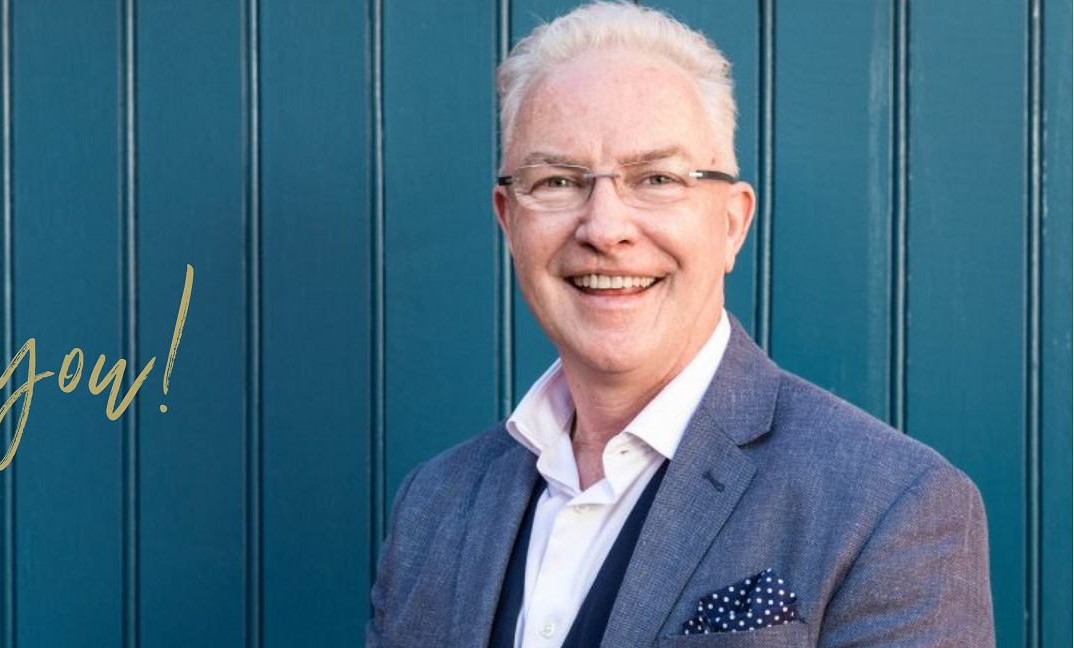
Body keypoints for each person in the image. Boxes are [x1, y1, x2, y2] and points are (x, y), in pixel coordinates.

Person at [365, 3, 994, 647]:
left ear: (731, 223)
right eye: (557, 181)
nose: (605, 228)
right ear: (509, 221)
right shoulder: (433, 507)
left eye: (657, 178)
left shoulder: (889, 505)